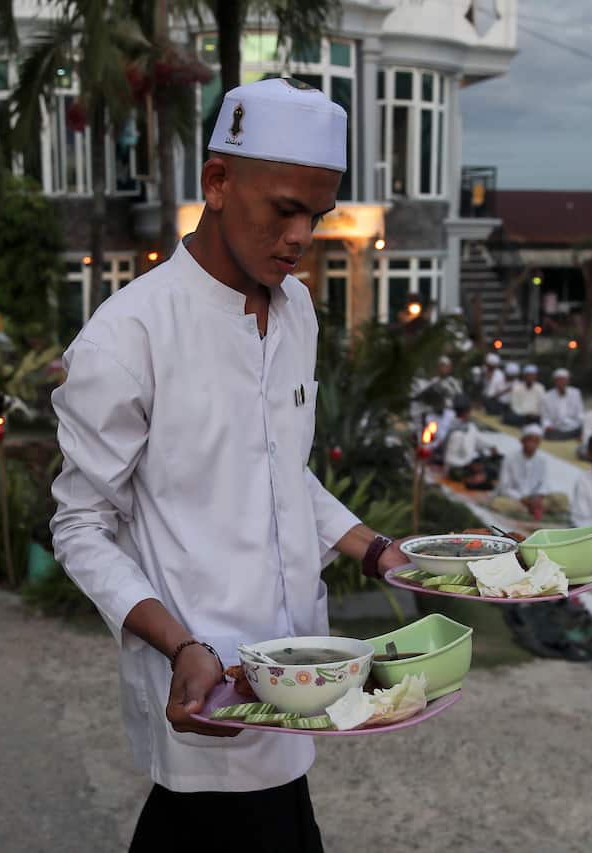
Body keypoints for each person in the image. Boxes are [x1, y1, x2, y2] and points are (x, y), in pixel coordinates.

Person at [48, 78, 412, 850]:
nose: (299, 236)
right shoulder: (129, 337)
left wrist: (374, 549)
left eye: (316, 216)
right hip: (206, 686)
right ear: (217, 183)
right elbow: (82, 525)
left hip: (298, 670)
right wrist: (180, 644)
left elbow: (279, 472)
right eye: (283, 209)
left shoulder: (298, 312)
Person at [490, 425, 569, 521]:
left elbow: (544, 483)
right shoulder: (510, 459)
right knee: (497, 503)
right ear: (522, 441)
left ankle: (533, 509)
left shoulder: (541, 460)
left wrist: (538, 498)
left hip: (535, 499)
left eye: (536, 441)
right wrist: (524, 499)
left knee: (562, 498)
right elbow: (504, 487)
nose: (532, 444)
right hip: (516, 500)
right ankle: (533, 509)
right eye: (529, 440)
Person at [444, 396, 500, 488]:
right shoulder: (455, 431)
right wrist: (469, 465)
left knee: (495, 466)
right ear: (466, 412)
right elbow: (449, 459)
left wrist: (491, 447)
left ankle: (481, 475)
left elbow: (477, 440)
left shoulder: (469, 426)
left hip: (469, 464)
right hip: (457, 468)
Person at [541, 367, 584, 440]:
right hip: (556, 428)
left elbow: (580, 413)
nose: (561, 383)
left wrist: (583, 426)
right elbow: (545, 417)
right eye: (559, 380)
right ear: (555, 381)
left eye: (564, 380)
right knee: (547, 434)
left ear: (568, 381)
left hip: (573, 427)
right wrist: (547, 426)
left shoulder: (575, 393)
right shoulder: (547, 397)